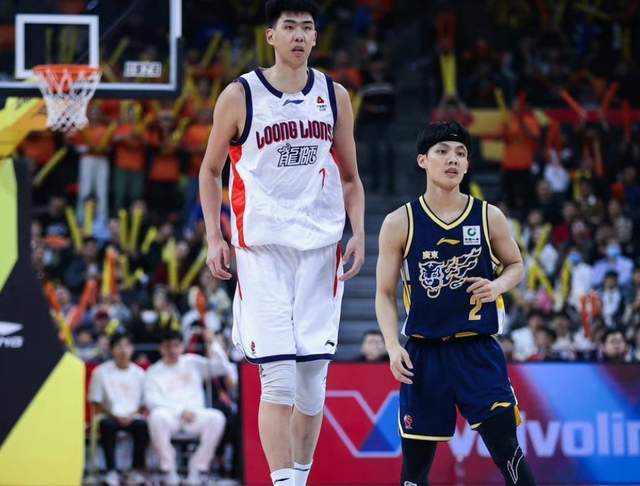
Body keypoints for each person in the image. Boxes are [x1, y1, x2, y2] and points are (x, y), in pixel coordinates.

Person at [198, 1, 365, 485]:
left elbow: (350, 177)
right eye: (289, 26)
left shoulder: (334, 96)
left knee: (312, 385)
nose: (298, 35)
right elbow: (209, 171)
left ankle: (301, 478)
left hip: (321, 250)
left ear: (315, 37)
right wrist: (214, 236)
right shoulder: (240, 95)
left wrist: (358, 230)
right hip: (262, 250)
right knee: (278, 378)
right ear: (270, 36)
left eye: (307, 27)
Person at [375, 121, 536, 485]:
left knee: (508, 452)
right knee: (414, 472)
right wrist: (391, 346)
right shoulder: (399, 222)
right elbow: (384, 293)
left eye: (460, 153)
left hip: (478, 351)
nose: (453, 159)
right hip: (424, 355)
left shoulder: (488, 215)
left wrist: (497, 286)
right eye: (443, 152)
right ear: (422, 160)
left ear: (467, 165)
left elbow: (516, 265)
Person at [145, 329, 234, 485]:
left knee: (216, 418)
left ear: (182, 346)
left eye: (176, 345)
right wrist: (180, 411)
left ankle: (198, 468)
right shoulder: (154, 371)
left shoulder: (193, 362)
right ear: (161, 348)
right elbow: (151, 401)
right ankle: (169, 470)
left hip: (195, 416)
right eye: (167, 346)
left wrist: (213, 343)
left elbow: (221, 367)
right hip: (170, 417)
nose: (172, 350)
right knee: (156, 417)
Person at [88, 333, 147, 486]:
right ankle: (111, 471)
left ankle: (136, 470)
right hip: (109, 416)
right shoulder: (100, 372)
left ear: (132, 349)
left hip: (133, 416)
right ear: (112, 349)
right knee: (107, 425)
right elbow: (95, 401)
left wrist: (131, 415)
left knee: (142, 426)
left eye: (127, 346)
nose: (123, 350)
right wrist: (114, 415)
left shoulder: (140, 374)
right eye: (119, 346)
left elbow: (143, 404)